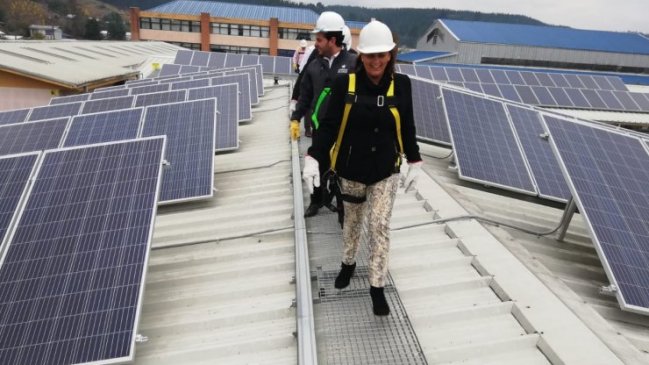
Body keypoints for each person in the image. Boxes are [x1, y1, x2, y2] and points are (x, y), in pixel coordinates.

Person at [302, 20, 422, 316]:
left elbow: (406, 125)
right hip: (351, 169)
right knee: (352, 223)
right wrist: (314, 156)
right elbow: (329, 126)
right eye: (371, 56)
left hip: (385, 170)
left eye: (382, 55)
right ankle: (348, 263)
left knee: (380, 225)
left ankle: (377, 286)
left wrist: (415, 159)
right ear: (362, 56)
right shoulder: (346, 82)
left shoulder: (402, 85)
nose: (377, 61)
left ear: (391, 55)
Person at [289, 11, 356, 218]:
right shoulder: (314, 65)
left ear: (332, 40)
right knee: (317, 165)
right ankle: (316, 200)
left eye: (319, 40)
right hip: (320, 129)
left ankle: (341, 204)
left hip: (346, 131)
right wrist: (295, 118)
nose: (315, 44)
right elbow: (305, 94)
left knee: (344, 170)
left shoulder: (353, 63)